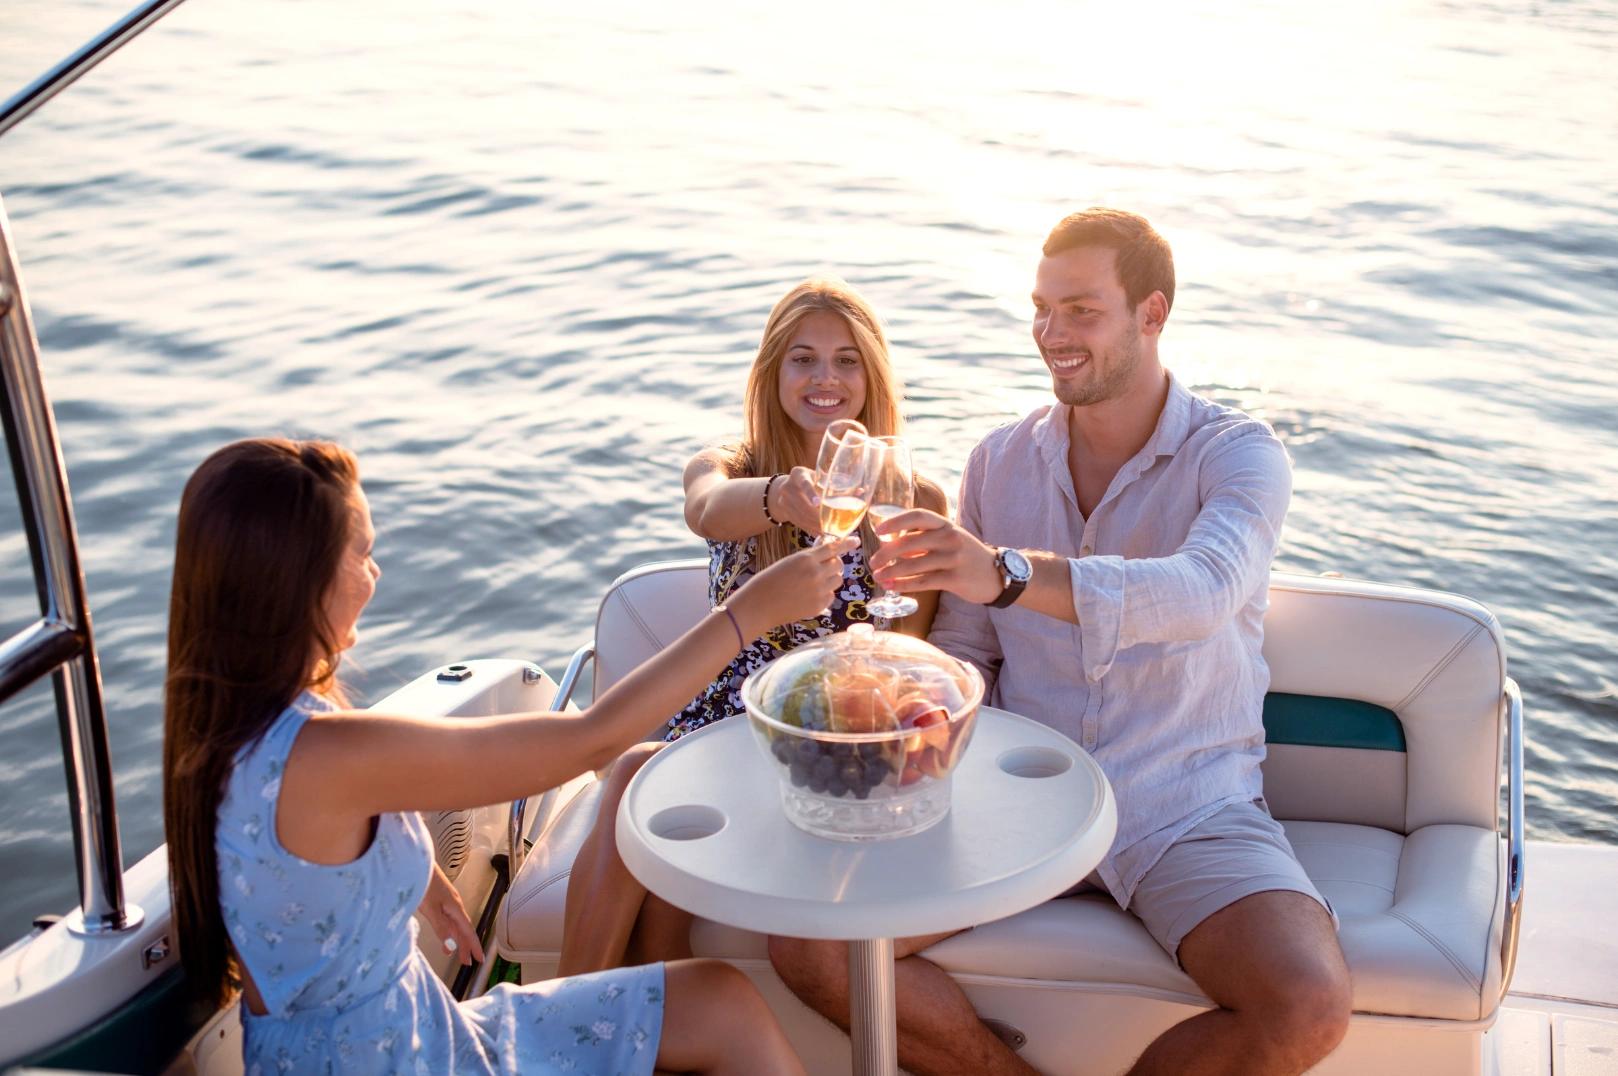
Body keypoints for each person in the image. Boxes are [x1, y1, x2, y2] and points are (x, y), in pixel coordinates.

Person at [767, 210, 1354, 1076]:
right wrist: (889, 671)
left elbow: (1203, 592)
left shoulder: (1238, 456)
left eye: (1081, 310)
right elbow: (970, 652)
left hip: (1184, 803)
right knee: (808, 945)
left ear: (1152, 314)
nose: (1051, 334)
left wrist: (1001, 570)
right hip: (1018, 791)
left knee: (1306, 1001)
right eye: (1042, 309)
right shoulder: (998, 461)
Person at [162, 437, 852, 1075]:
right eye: (361, 553)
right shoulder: (328, 751)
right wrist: (748, 613)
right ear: (295, 580)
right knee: (724, 1009)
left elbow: (315, 862)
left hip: (376, 1040)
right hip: (407, 1059)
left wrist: (425, 879)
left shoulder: (234, 728)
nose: (375, 573)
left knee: (720, 1000)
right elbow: (593, 741)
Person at [558, 275, 949, 978]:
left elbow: (908, 649)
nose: (824, 377)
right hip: (718, 722)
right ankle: (574, 1011)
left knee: (638, 778)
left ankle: (577, 1019)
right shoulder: (732, 469)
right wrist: (782, 498)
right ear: (773, 373)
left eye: (845, 360)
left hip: (830, 732)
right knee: (637, 778)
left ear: (871, 374)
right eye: (802, 358)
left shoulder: (914, 495)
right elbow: (707, 508)